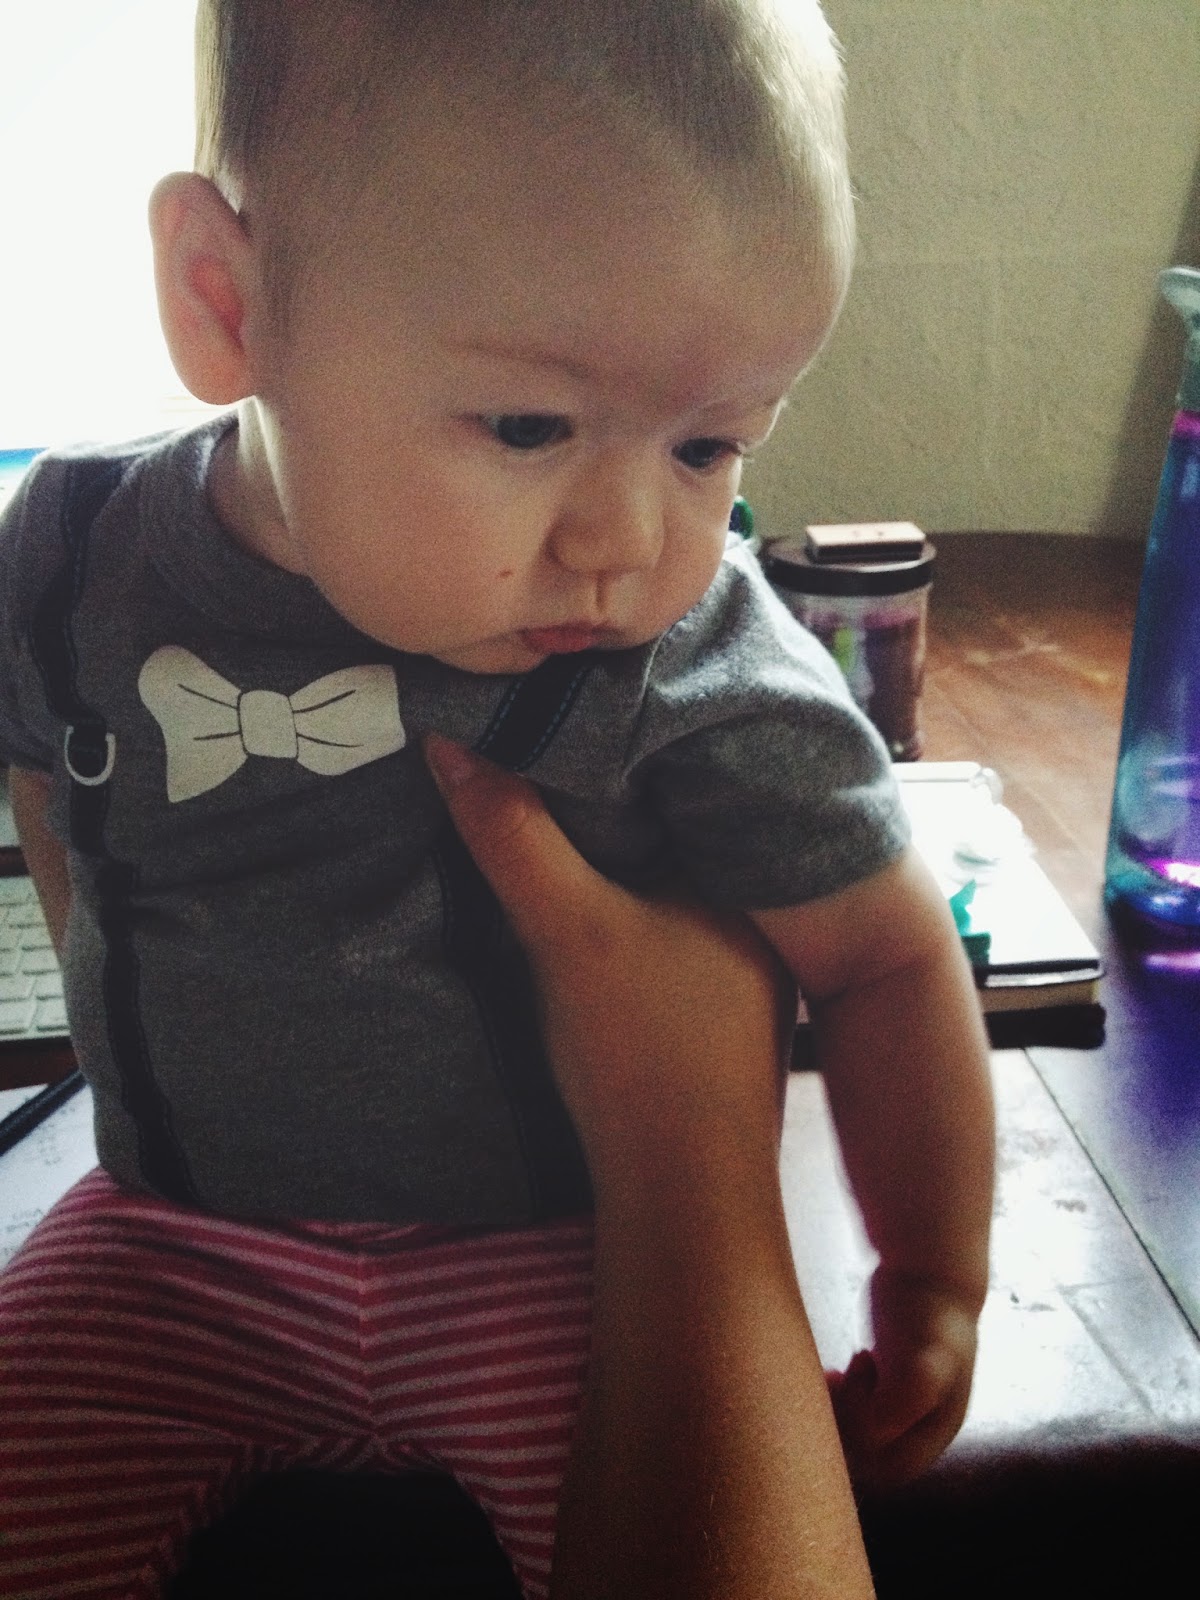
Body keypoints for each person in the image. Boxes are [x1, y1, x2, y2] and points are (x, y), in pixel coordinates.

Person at [0, 2, 994, 1595]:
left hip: (552, 1258)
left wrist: (934, 1271)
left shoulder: (692, 656)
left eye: (709, 444)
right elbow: (51, 772)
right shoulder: (70, 555)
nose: (627, 541)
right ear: (226, 302)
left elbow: (880, 950)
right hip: (173, 1246)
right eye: (529, 426)